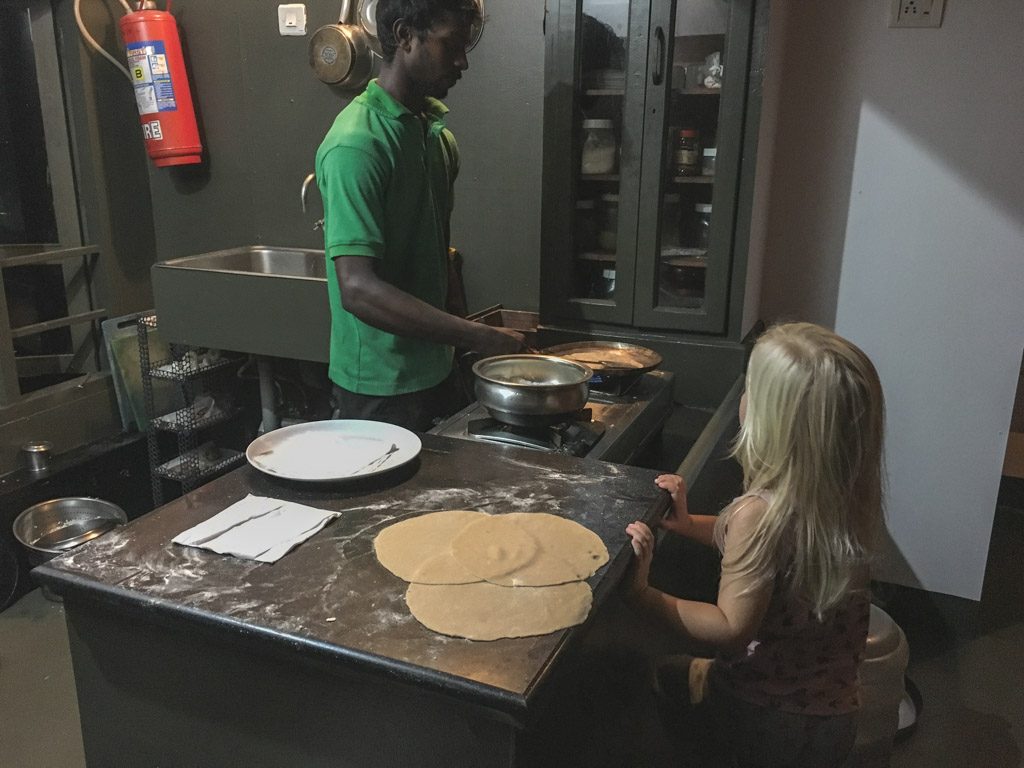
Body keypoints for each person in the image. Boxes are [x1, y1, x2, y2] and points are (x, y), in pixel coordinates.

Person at [626, 322, 886, 767]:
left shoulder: (759, 514)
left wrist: (642, 595)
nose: (743, 399)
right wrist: (689, 524)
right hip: (836, 713)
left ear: (771, 421)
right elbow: (770, 557)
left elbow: (730, 628)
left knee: (661, 674)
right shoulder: (843, 497)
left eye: (750, 389)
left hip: (761, 716)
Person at [315, 0, 524, 432]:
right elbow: (358, 289)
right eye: (451, 45)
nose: (463, 61)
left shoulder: (436, 136)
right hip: (378, 387)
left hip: (438, 369)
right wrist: (476, 336)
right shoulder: (357, 144)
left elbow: (438, 252)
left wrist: (464, 346)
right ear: (406, 36)